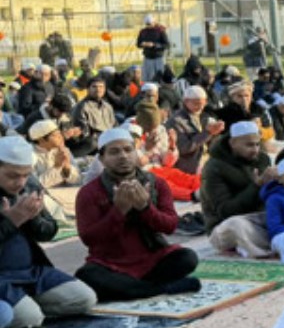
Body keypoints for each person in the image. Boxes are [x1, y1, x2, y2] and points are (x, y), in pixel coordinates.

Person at [74, 128, 200, 301]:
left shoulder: (156, 183)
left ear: (136, 152)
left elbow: (170, 226)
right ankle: (160, 288)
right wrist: (119, 211)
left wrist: (145, 208)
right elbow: (90, 239)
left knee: (187, 258)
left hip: (152, 258)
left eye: (128, 150)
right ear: (102, 159)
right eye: (114, 152)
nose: (123, 156)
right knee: (87, 276)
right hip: (111, 263)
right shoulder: (89, 192)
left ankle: (135, 288)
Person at [0, 136, 97, 328]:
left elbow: (49, 231)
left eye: (25, 175)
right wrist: (12, 221)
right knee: (29, 319)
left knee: (85, 298)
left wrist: (32, 216)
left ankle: (25, 306)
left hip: (30, 271)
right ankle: (24, 311)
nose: (20, 182)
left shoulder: (29, 186)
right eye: (12, 176)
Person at [202, 121, 277, 259]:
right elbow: (225, 211)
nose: (255, 149)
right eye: (249, 145)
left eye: (257, 144)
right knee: (237, 225)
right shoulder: (214, 167)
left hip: (259, 219)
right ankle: (266, 249)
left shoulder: (262, 159)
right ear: (233, 143)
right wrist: (256, 186)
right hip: (226, 226)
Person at [170, 85, 224, 176]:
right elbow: (183, 148)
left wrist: (215, 133)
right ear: (186, 101)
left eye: (203, 104)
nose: (200, 107)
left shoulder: (203, 116)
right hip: (188, 169)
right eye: (196, 104)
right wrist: (207, 133)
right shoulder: (176, 121)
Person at [71, 72, 117, 157]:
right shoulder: (82, 107)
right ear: (88, 89)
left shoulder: (107, 106)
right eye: (94, 87)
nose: (98, 89)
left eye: (101, 87)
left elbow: (114, 125)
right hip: (94, 142)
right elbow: (84, 133)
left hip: (109, 138)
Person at [28, 119, 83, 189]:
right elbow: (34, 186)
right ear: (41, 140)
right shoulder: (29, 155)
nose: (61, 137)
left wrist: (67, 168)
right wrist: (57, 167)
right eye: (55, 135)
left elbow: (78, 181)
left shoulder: (62, 149)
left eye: (60, 134)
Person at [135, 16, 170, 82]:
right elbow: (138, 44)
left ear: (153, 22)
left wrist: (154, 45)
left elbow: (167, 45)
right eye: (147, 24)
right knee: (148, 77)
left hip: (159, 58)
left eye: (149, 24)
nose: (148, 26)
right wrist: (142, 44)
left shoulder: (160, 31)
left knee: (160, 76)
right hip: (148, 57)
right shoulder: (143, 32)